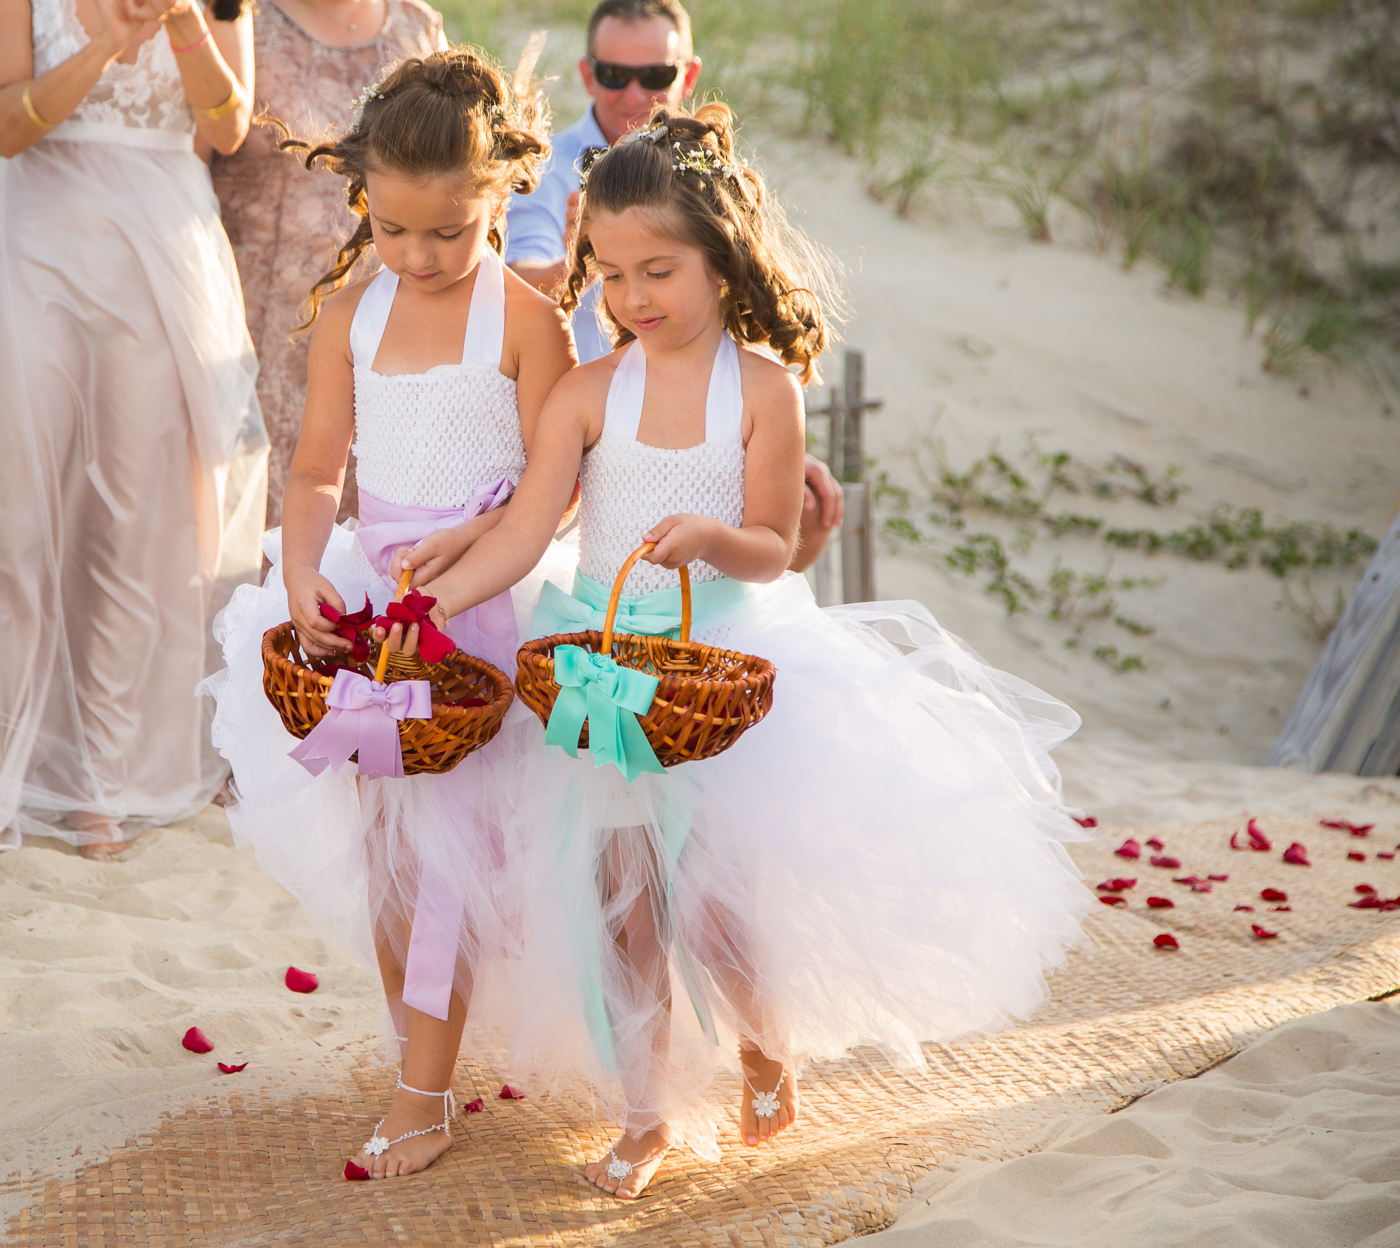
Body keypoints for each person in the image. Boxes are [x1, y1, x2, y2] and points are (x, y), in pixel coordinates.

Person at [410, 103, 1095, 1196]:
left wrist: (709, 539)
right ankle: (644, 1115)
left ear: (721, 264)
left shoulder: (764, 390)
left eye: (658, 271)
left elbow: (774, 547)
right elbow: (527, 531)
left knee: (719, 900)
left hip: (725, 666)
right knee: (619, 899)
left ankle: (762, 1047)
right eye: (610, 273)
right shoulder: (589, 394)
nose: (630, 299)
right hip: (600, 670)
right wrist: (436, 601)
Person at [202, 47, 576, 1180]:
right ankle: (420, 1056)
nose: (417, 256)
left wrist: (473, 564)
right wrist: (307, 567)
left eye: (447, 233)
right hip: (378, 611)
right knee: (393, 859)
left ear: (498, 196)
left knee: (463, 859)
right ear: (363, 196)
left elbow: (552, 497)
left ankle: (424, 1089)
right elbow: (316, 469)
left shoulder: (527, 322)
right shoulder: (349, 316)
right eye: (395, 228)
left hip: (488, 610)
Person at [0, 0, 268, 857]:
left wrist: (185, 24)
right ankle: (13, 759)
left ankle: (98, 784)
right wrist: (109, 45)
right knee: (22, 514)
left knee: (130, 512)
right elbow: (8, 127)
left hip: (162, 254)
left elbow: (229, 127)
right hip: (37, 241)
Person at [504, 0, 843, 572]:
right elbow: (519, 286)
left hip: (699, 402)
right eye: (614, 74)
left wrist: (759, 451)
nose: (635, 93)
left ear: (686, 75)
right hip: (579, 431)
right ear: (587, 74)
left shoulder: (697, 182)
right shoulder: (545, 166)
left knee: (808, 505)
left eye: (656, 76)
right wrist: (578, 255)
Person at [210, 0, 447, 526]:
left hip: (393, 325)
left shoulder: (416, 23)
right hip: (262, 328)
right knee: (262, 514)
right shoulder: (237, 18)